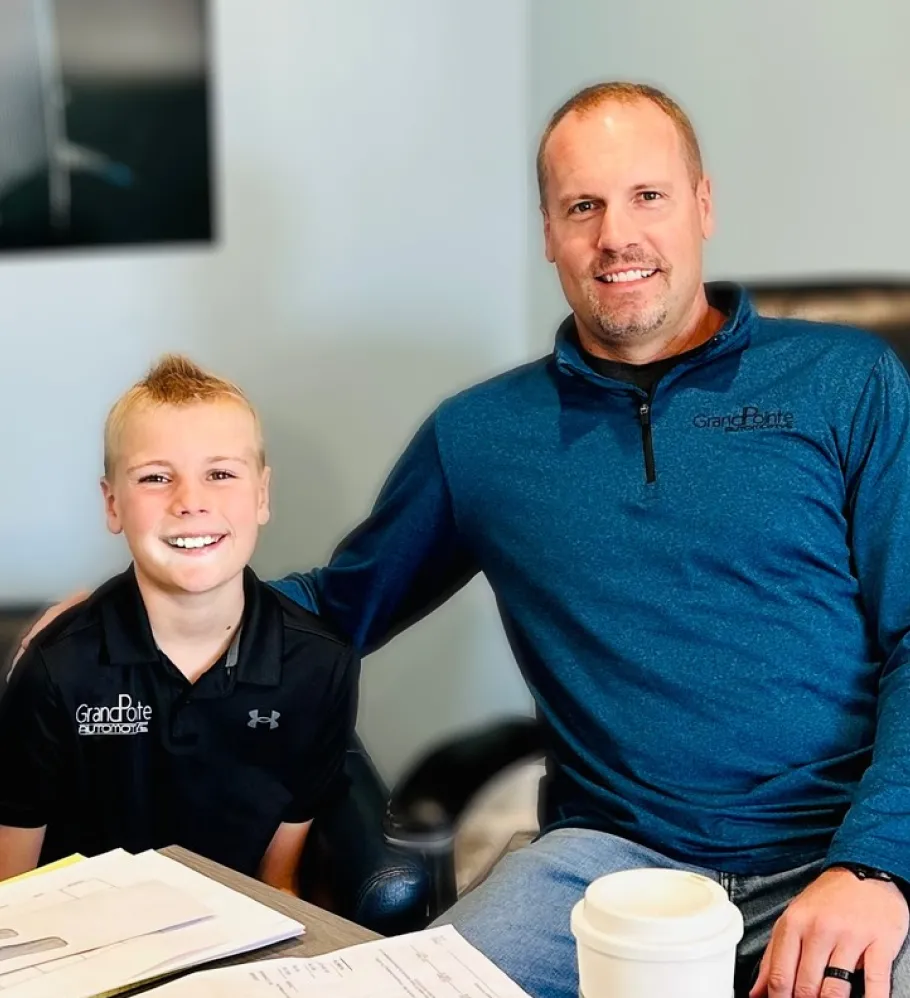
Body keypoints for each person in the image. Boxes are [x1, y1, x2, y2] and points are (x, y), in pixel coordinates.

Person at [18, 82, 910, 998]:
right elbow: (334, 607)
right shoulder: (480, 438)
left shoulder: (847, 384)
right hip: (609, 865)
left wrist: (876, 867)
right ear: (550, 233)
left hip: (835, 851)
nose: (617, 236)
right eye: (583, 207)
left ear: (703, 205)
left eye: (649, 196)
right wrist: (142, 611)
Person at [0, 355, 358, 894]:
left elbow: (279, 881)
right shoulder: (55, 668)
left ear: (261, 495)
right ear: (112, 503)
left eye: (220, 474)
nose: (190, 501)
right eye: (155, 477)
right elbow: (12, 891)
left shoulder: (322, 666)